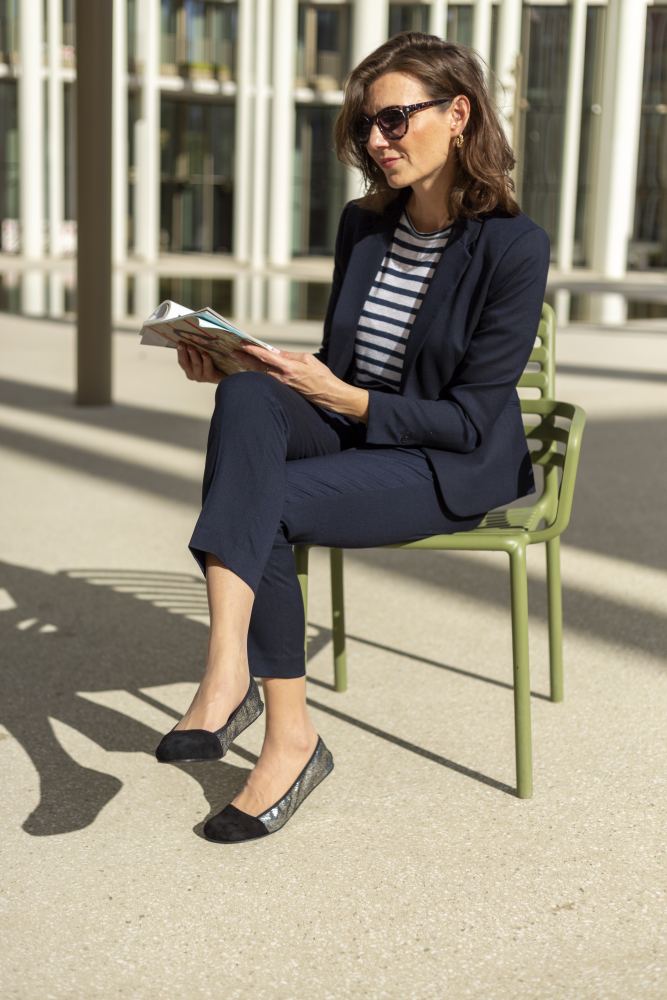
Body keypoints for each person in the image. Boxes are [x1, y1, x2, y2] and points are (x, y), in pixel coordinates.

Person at [154, 32, 550, 843]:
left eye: (396, 119)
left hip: (445, 464)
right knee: (247, 400)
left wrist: (349, 399)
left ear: (458, 114)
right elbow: (346, 360)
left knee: (265, 502)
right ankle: (237, 673)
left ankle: (280, 728)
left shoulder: (513, 247)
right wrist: (239, 362)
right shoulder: (364, 224)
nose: (377, 140)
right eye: (370, 124)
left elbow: (472, 417)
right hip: (360, 434)